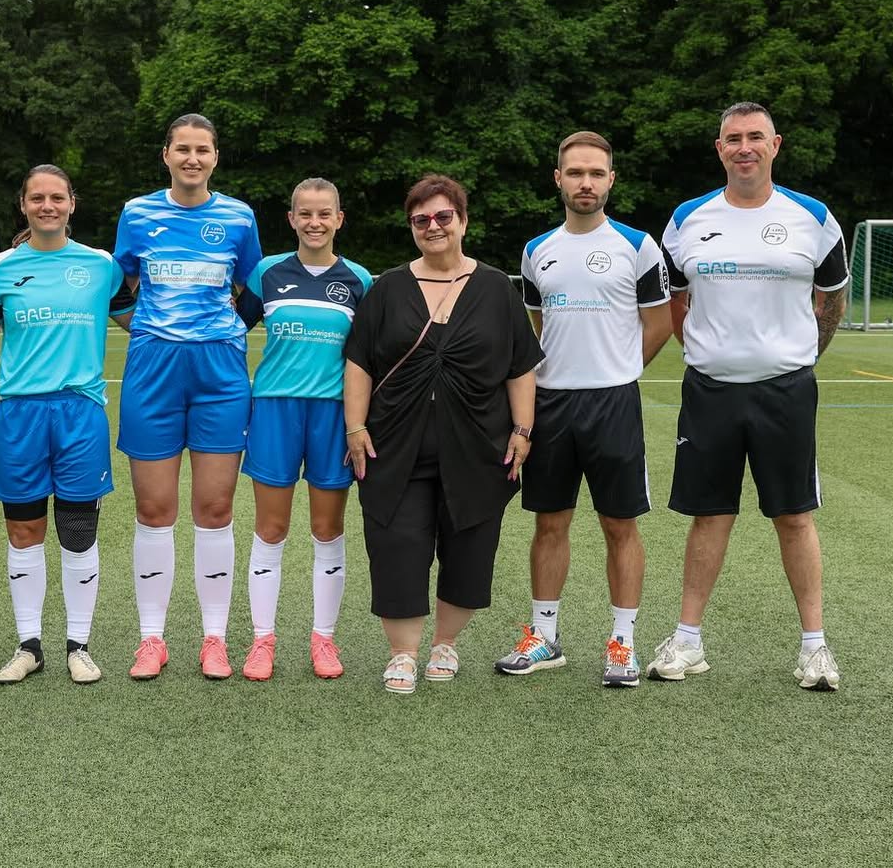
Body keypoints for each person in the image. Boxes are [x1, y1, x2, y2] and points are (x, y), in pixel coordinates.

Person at [646, 101, 849, 692]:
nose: (744, 148)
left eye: (754, 137)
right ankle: (687, 641)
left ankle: (814, 647)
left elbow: (831, 297)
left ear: (775, 145)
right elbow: (676, 300)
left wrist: (805, 356)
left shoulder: (813, 217)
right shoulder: (686, 219)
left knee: (793, 514)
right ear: (719, 149)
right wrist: (708, 351)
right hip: (709, 390)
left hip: (785, 389)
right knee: (709, 515)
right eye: (733, 138)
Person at [343, 174, 543, 694]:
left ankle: (446, 644)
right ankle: (402, 653)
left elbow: (521, 365)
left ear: (462, 221)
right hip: (394, 445)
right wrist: (355, 425)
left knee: (469, 546)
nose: (433, 227)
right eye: (421, 220)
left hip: (479, 445)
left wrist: (523, 428)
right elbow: (359, 361)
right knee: (397, 543)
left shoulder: (497, 288)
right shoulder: (386, 288)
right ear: (412, 227)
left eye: (442, 217)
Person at [494, 131, 672, 687]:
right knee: (550, 523)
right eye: (575, 173)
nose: (586, 183)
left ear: (611, 180)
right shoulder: (536, 250)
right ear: (559, 180)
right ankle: (545, 637)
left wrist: (617, 369)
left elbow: (661, 322)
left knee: (620, 524)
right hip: (551, 403)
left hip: (614, 402)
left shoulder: (638, 246)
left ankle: (622, 643)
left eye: (596, 173)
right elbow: (537, 325)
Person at [0, 165, 135, 685]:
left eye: (56, 197)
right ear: (23, 205)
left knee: (78, 529)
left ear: (71, 204)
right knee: (23, 529)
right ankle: (29, 645)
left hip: (80, 412)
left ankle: (78, 646)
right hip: (19, 413)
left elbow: (140, 323)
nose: (47, 206)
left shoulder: (101, 266)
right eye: (37, 198)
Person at [113, 113, 264, 680]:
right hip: (153, 369)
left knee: (215, 508)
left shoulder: (238, 217)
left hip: (219, 373)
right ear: (167, 155)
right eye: (183, 149)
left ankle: (214, 638)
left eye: (203, 149)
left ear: (215, 157)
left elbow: (254, 289)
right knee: (154, 510)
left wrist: (226, 330)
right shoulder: (137, 212)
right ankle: (151, 639)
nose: (192, 158)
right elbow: (117, 287)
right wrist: (147, 329)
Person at [233, 178, 373, 681]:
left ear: (339, 219)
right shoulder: (267, 272)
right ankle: (262, 641)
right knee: (270, 530)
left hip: (333, 416)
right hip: (273, 409)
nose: (315, 222)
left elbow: (368, 359)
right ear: (291, 219)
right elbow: (232, 331)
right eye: (305, 213)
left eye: (324, 214)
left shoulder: (359, 280)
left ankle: (323, 640)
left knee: (326, 530)